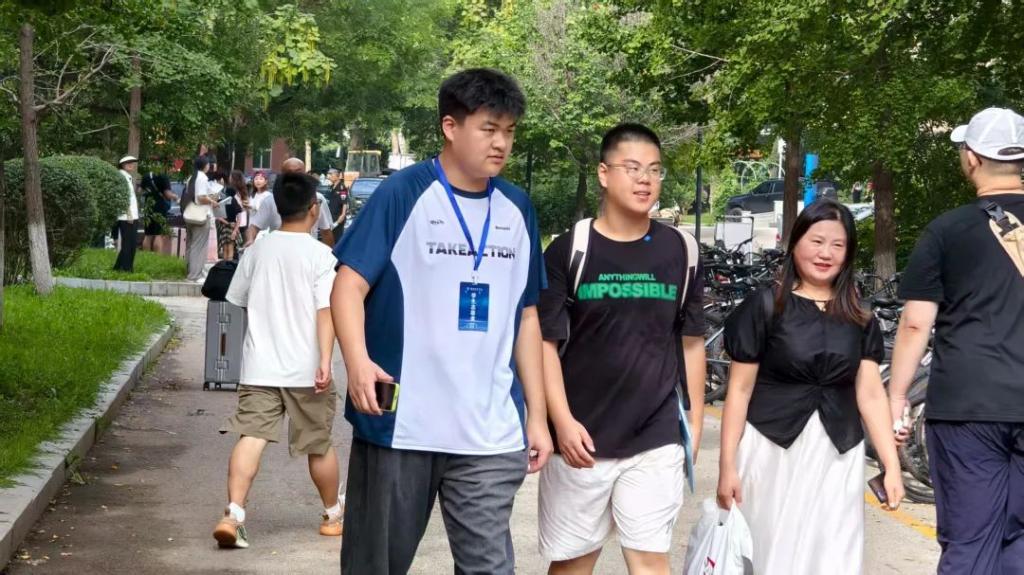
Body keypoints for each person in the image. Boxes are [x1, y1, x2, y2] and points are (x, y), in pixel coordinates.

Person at [331, 68, 553, 574]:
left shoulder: (517, 209)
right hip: (402, 425)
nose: (501, 143)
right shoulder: (402, 194)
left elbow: (526, 316)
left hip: (488, 431)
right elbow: (348, 286)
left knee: (489, 567)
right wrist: (358, 363)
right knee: (374, 566)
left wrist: (536, 417)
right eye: (488, 129)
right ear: (450, 127)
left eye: (509, 131)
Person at [536, 123, 706, 575]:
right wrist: (561, 421)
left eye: (654, 169)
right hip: (581, 437)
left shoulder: (682, 250)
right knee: (572, 565)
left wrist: (694, 421)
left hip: (655, 435)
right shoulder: (570, 250)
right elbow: (544, 344)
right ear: (604, 173)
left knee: (650, 561)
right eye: (632, 168)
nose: (645, 179)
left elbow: (691, 342)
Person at [717, 198, 904, 575]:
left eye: (837, 245)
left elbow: (870, 394)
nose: (825, 253)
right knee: (770, 549)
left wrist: (891, 464)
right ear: (796, 242)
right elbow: (739, 391)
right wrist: (727, 466)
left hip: (838, 453)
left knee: (833, 553)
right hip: (771, 447)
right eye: (816, 241)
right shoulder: (766, 305)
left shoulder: (860, 315)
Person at [889, 107, 1024, 575]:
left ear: (971, 158)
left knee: (969, 540)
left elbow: (915, 325)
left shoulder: (948, 230)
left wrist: (897, 396)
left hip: (968, 405)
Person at [213, 172, 342, 549]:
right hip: (307, 370)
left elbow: (238, 300)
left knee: (251, 437)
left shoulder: (257, 251)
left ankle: (233, 514)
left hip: (260, 367)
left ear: (276, 208)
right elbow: (326, 311)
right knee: (318, 444)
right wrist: (325, 359)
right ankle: (332, 515)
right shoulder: (322, 256)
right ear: (314, 209)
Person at [244, 158, 335, 248]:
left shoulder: (317, 198)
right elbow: (254, 226)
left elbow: (326, 232)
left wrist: (329, 254)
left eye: (298, 172)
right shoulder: (271, 200)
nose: (294, 176)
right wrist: (250, 240)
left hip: (308, 251)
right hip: (278, 250)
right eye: (289, 173)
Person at [182, 156, 218, 283]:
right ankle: (195, 275)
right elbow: (201, 197)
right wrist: (212, 201)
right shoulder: (202, 177)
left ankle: (189, 271)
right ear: (205, 165)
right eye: (208, 164)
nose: (209, 166)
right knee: (199, 246)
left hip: (190, 214)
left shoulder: (191, 177)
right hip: (201, 215)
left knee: (191, 245)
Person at [141, 170, 176, 253]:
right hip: (160, 208)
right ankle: (157, 257)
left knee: (148, 235)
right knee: (158, 234)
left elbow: (140, 191)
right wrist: (175, 197)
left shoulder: (146, 175)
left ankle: (146, 256)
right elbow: (168, 194)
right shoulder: (163, 176)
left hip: (148, 207)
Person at [226, 170, 250, 259]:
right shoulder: (242, 191)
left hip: (238, 221)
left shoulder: (234, 191)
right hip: (241, 220)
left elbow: (244, 207)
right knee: (239, 245)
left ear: (234, 179)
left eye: (230, 177)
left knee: (237, 245)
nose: (229, 178)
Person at [326, 168, 349, 238]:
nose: (328, 176)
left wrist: (343, 214)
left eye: (331, 174)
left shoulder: (342, 187)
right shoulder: (331, 187)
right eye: (328, 174)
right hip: (331, 215)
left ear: (337, 175)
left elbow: (344, 202)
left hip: (338, 216)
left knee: (337, 236)